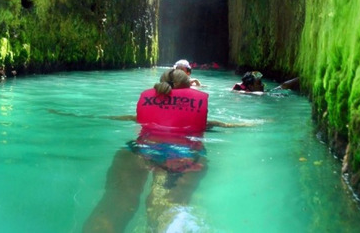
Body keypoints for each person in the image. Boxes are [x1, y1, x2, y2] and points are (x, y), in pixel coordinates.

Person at [83, 68, 252, 232]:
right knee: (167, 208)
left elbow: (99, 117)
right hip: (184, 157)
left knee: (116, 203)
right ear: (188, 91)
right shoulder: (207, 122)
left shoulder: (138, 116)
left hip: (138, 151)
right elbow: (236, 126)